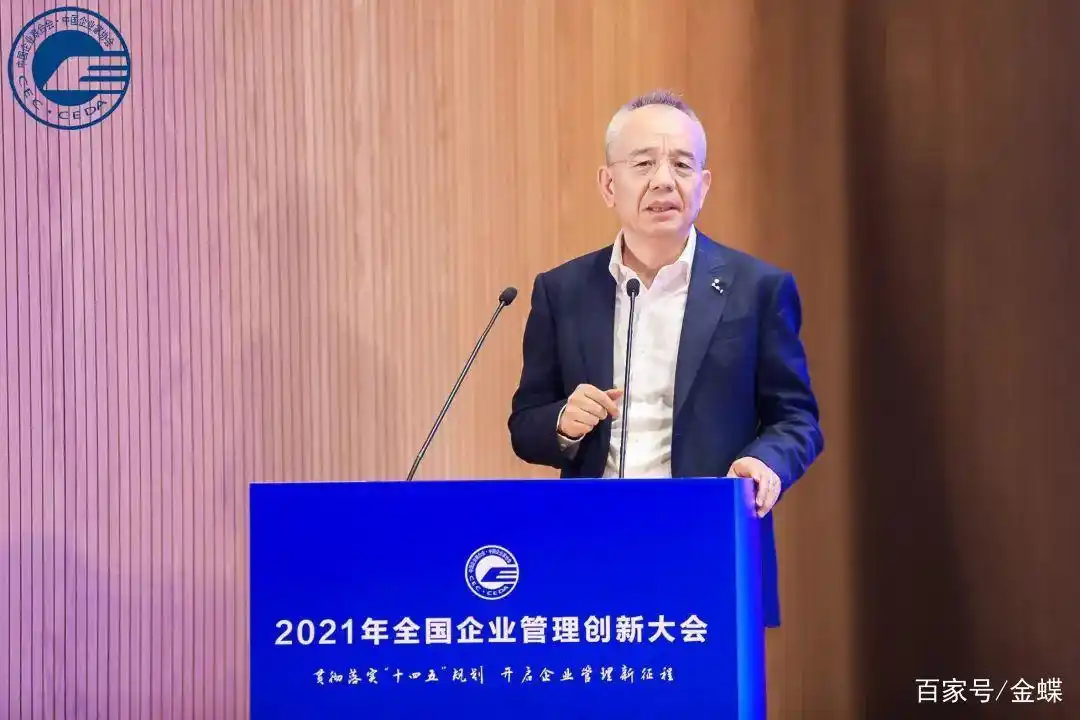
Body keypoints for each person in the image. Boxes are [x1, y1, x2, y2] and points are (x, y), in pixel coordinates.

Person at [507, 90, 824, 627]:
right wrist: (562, 422)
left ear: (704, 185)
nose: (663, 181)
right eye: (643, 164)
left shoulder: (757, 289)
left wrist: (764, 463)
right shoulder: (562, 291)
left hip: (708, 547)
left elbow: (797, 419)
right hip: (589, 551)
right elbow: (525, 424)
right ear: (609, 184)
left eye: (681, 165)